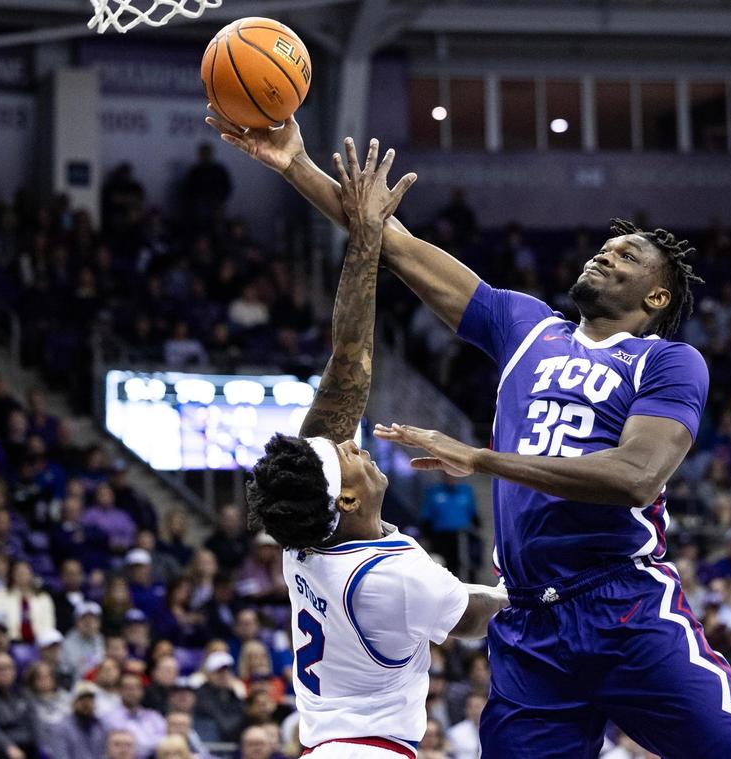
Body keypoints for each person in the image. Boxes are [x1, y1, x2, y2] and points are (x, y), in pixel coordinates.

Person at [206, 113, 731, 756]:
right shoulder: (527, 325)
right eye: (604, 248)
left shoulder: (667, 362)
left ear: (658, 300)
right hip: (529, 620)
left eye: (627, 256)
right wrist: (293, 165)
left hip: (623, 606)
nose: (605, 254)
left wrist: (481, 458)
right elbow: (390, 244)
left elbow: (635, 478)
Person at [236, 138, 507, 757]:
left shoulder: (310, 530)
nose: (353, 445)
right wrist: (528, 588)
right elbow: (473, 616)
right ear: (350, 495)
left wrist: (365, 236)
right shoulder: (393, 577)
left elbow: (348, 362)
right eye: (349, 455)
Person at [49, 682, 107, 759]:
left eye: (90, 699)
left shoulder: (100, 726)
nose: (86, 704)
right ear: (73, 703)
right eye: (82, 699)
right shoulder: (61, 728)